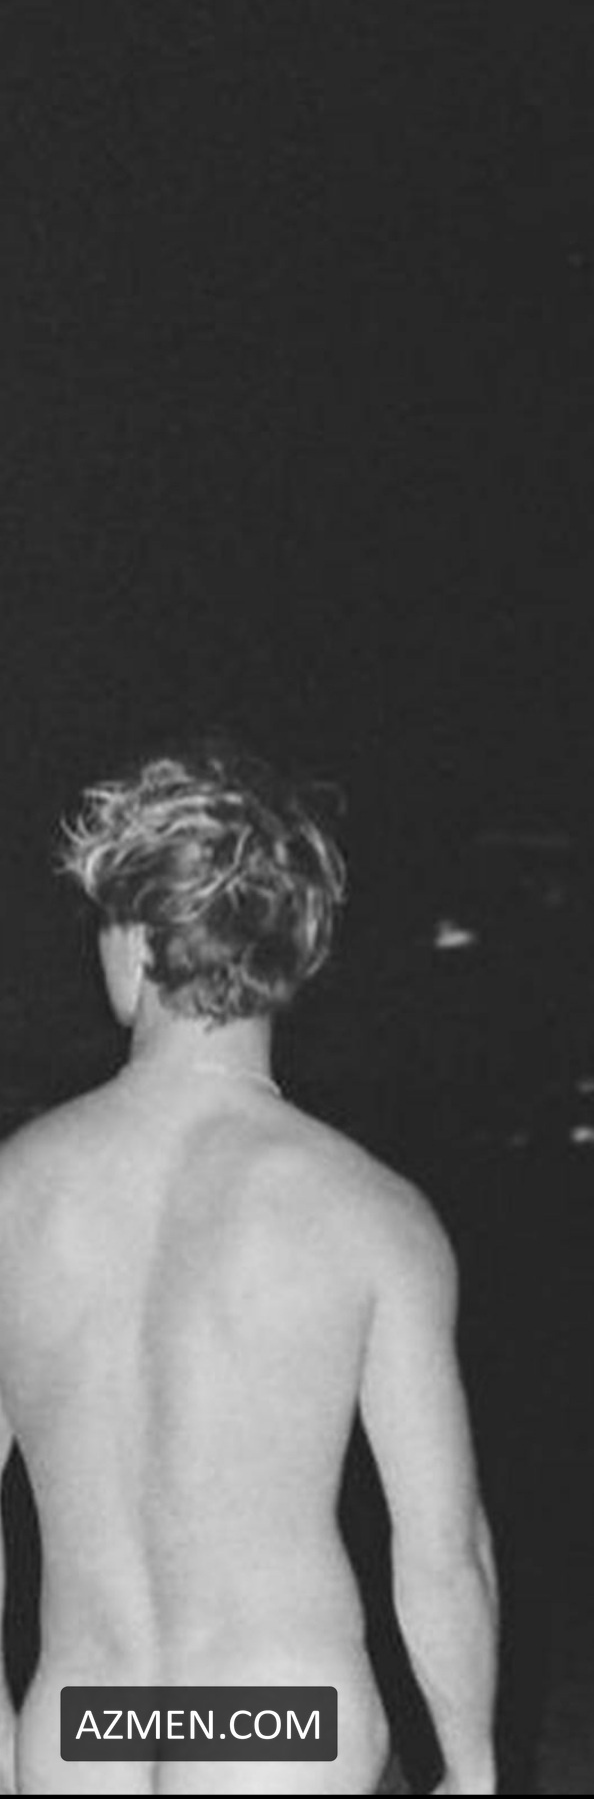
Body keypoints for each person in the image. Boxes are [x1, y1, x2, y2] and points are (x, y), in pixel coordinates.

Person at [0, 746, 498, 1796]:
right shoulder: (367, 1211)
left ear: (136, 941)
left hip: (86, 1727)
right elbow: (441, 1552)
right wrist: (471, 1769)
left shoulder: (14, 1192)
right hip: (279, 1726)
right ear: (295, 957)